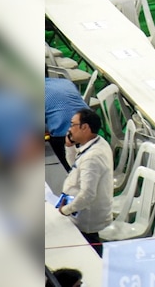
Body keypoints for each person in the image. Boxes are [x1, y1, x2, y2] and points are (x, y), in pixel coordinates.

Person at [56, 107, 113, 252]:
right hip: (79, 208)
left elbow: (87, 195)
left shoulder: (93, 157)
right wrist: (69, 146)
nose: (69, 129)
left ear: (85, 127)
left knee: (89, 252)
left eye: (72, 125)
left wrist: (66, 210)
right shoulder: (97, 142)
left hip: (85, 218)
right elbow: (74, 166)